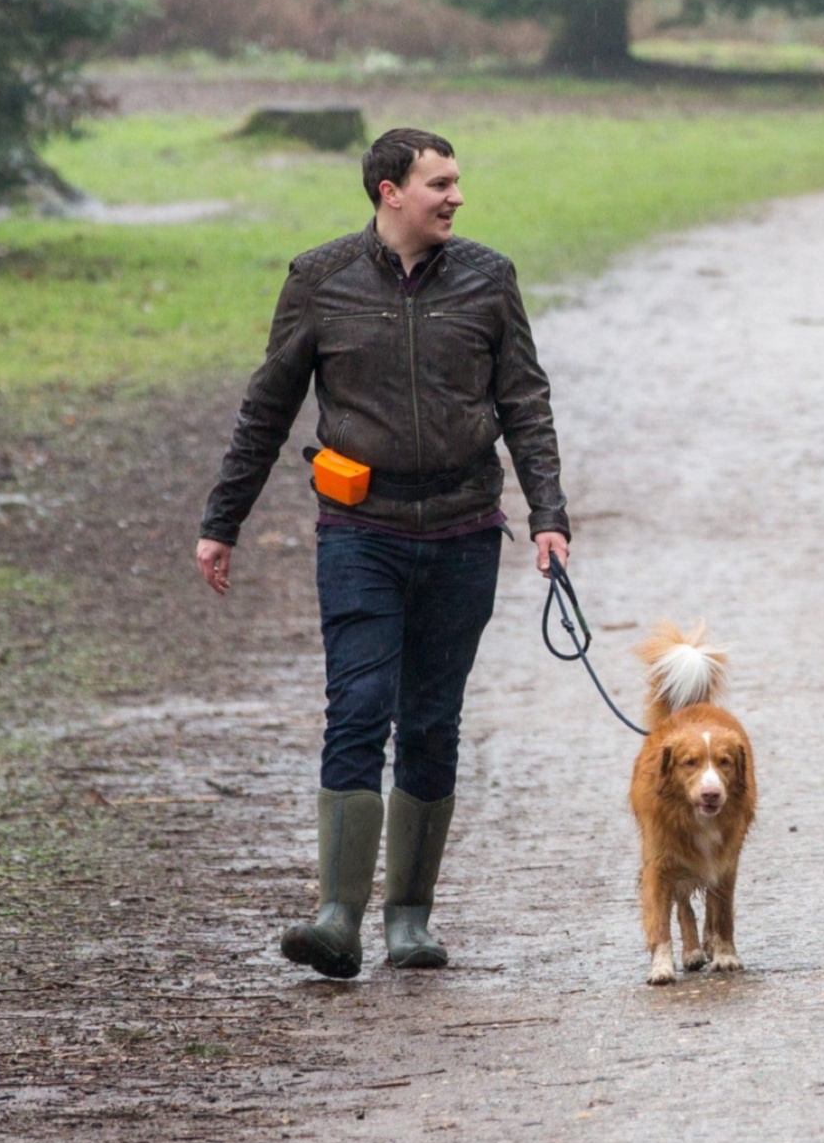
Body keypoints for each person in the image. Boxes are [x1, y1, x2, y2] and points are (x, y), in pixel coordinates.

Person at [194, 127, 572, 978]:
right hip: (360, 533)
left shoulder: (488, 277)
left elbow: (525, 401)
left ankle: (410, 920)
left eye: (458, 182)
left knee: (433, 719)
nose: (456, 197)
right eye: (439, 183)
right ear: (388, 191)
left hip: (465, 533)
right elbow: (268, 407)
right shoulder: (319, 279)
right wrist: (224, 521)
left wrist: (548, 513)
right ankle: (337, 917)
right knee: (359, 707)